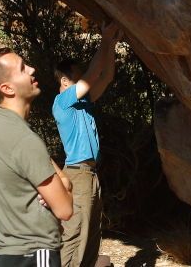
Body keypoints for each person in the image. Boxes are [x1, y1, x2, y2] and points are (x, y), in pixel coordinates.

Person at [0, 48, 73, 267]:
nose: (32, 69)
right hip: (35, 254)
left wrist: (62, 182)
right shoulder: (23, 138)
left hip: (11, 254)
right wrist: (64, 186)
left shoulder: (0, 126)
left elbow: (45, 169)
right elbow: (65, 209)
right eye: (22, 68)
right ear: (7, 88)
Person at [52, 22, 122, 267]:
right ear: (64, 80)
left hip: (90, 173)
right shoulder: (62, 102)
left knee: (92, 233)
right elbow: (93, 76)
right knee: (75, 234)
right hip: (77, 173)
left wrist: (111, 44)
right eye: (77, 75)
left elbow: (107, 76)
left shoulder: (84, 102)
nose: (82, 78)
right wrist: (104, 38)